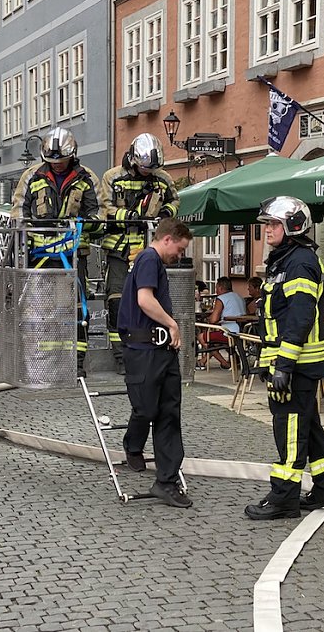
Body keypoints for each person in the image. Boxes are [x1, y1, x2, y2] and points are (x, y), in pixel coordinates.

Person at [245, 196, 324, 520]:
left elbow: (299, 319)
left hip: (297, 365)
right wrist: (268, 361)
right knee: (309, 428)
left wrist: (283, 367)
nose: (268, 231)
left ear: (292, 226)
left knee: (289, 432)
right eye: (267, 225)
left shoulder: (299, 262)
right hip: (292, 363)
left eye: (273, 225)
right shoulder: (285, 260)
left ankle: (284, 499)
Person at [12, 126, 102, 377]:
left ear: (71, 155)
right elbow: (19, 211)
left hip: (72, 258)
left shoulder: (87, 178)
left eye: (61, 161)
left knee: (73, 309)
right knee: (39, 309)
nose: (58, 165)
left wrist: (89, 223)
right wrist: (25, 238)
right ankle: (40, 360)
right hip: (40, 257)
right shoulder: (31, 176)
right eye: (53, 161)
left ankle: (76, 362)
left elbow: (98, 213)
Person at [117, 217, 193, 508]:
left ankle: (167, 481)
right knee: (147, 408)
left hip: (160, 349)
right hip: (145, 348)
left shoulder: (153, 262)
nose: (180, 255)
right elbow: (145, 300)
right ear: (167, 239)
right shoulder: (149, 259)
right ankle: (133, 445)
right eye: (181, 249)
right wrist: (173, 325)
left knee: (169, 414)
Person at [99, 133, 180, 375]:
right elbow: (105, 209)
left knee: (152, 302)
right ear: (134, 159)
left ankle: (149, 349)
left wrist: (166, 211)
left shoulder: (162, 179)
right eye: (145, 168)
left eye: (152, 168)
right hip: (120, 250)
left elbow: (175, 200)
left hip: (148, 252)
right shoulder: (113, 177)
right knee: (117, 302)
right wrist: (128, 216)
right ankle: (121, 356)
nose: (148, 172)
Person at [196, 276, 246, 370]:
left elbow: (213, 320)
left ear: (220, 288)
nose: (216, 290)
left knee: (202, 337)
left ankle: (225, 364)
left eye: (216, 287)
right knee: (215, 342)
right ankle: (203, 361)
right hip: (243, 331)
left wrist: (209, 318)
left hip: (229, 332)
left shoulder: (221, 298)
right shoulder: (239, 296)